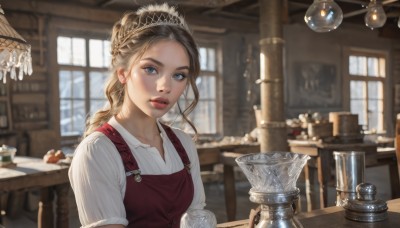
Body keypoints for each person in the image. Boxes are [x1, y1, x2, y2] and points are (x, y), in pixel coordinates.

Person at [68, 3, 206, 228]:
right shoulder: (97, 152)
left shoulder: (183, 144)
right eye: (151, 69)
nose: (165, 87)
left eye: (179, 75)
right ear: (123, 73)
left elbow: (197, 219)